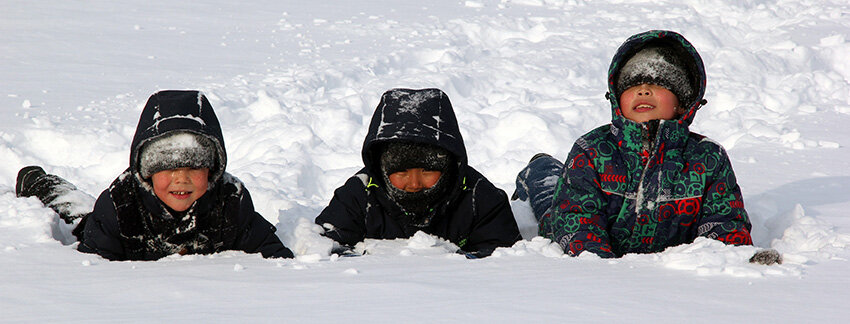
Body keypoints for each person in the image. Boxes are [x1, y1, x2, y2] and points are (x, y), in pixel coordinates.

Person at [514, 30, 753, 258]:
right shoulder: (592, 150)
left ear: (683, 103)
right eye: (632, 85)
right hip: (568, 220)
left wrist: (728, 255)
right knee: (550, 196)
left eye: (659, 84)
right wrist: (603, 267)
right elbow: (576, 220)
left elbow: (725, 220)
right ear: (617, 99)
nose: (644, 91)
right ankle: (541, 166)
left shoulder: (708, 158)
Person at [16, 90, 294, 261]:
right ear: (147, 172)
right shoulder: (118, 206)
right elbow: (93, 273)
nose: (181, 179)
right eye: (169, 169)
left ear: (212, 170)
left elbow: (272, 254)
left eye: (194, 168)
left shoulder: (231, 200)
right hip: (93, 227)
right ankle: (38, 181)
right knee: (74, 211)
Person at [315, 88, 521, 258]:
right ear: (382, 168)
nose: (414, 183)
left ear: (448, 165)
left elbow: (502, 259)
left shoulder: (479, 197)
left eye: (427, 170)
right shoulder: (359, 194)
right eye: (401, 172)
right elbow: (324, 249)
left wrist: (449, 259)